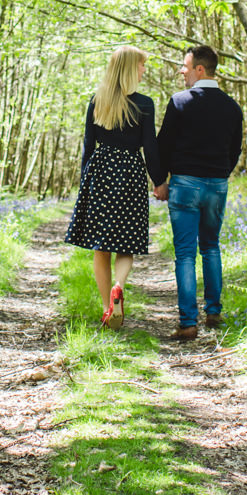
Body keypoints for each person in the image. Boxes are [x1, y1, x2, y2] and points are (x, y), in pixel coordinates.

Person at [65, 44, 164, 329]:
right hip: (131, 173)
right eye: (142, 65)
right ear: (131, 68)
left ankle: (108, 308)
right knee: (126, 242)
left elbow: (88, 145)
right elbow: (150, 147)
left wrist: (86, 181)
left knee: (101, 247)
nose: (144, 70)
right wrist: (159, 181)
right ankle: (118, 286)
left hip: (101, 173)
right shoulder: (144, 104)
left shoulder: (97, 101)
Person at [154, 44, 243, 342]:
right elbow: (235, 150)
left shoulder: (180, 102)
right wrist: (220, 174)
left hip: (185, 184)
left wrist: (160, 180)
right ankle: (214, 312)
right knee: (211, 246)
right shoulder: (232, 107)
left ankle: (188, 323)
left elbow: (162, 145)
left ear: (200, 70)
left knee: (185, 254)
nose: (182, 71)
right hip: (217, 184)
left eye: (185, 66)